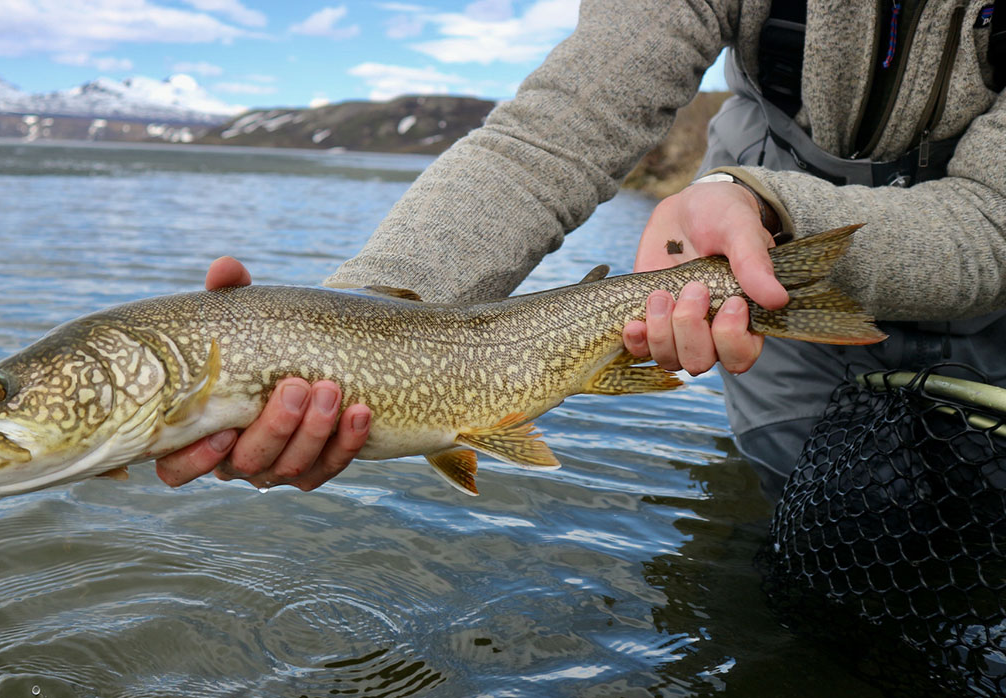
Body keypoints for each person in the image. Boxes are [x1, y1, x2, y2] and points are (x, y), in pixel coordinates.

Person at [156, 0, 1006, 496]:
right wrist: (363, 312)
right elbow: (550, 138)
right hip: (750, 282)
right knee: (800, 516)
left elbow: (990, 222)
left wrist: (769, 203)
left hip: (943, 255)